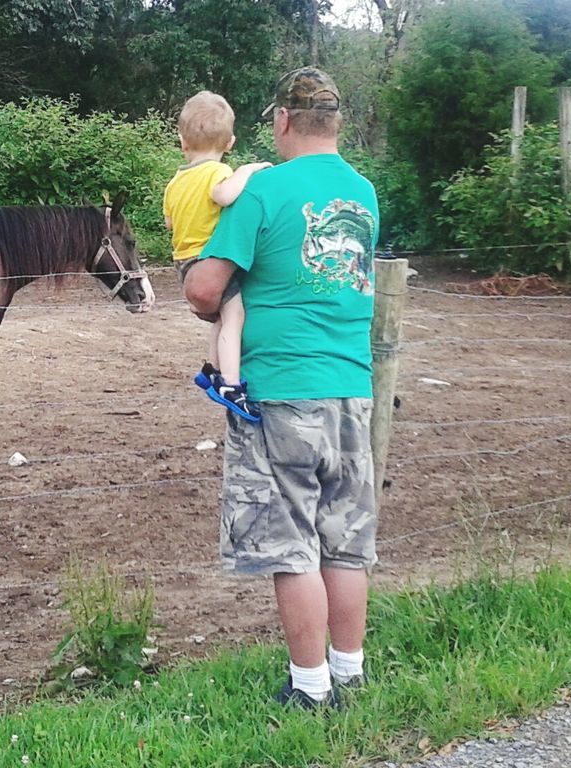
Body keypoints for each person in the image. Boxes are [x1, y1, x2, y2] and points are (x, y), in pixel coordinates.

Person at [183, 67, 380, 709]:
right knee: (345, 538)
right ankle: (350, 673)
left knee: (290, 544)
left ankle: (312, 688)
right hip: (351, 387)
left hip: (280, 393)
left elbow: (204, 290)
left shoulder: (263, 191)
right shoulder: (364, 193)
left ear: (282, 121)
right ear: (338, 124)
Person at [163, 90, 271, 421]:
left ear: (182, 142)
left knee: (224, 317)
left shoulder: (175, 181)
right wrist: (248, 170)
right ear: (230, 143)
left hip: (184, 263)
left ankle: (211, 369)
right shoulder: (217, 173)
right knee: (236, 317)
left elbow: (169, 221)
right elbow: (224, 196)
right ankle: (231, 384)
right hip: (209, 260)